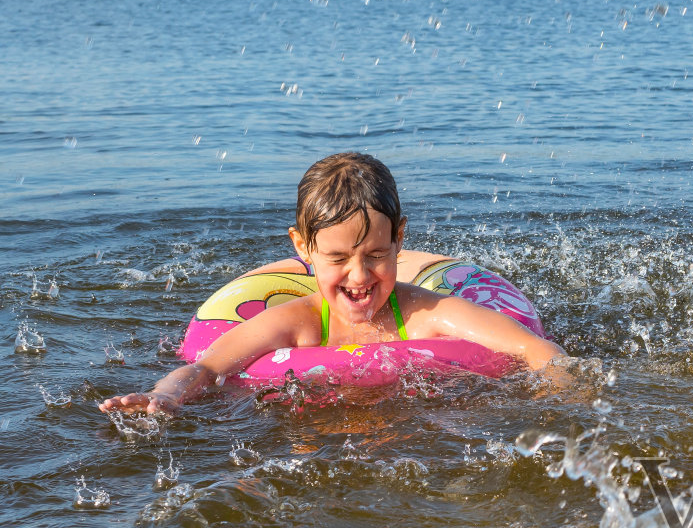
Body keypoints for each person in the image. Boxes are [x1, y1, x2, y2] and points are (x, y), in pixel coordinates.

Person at [100, 153, 565, 415]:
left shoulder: (429, 313)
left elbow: (532, 348)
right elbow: (207, 368)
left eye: (377, 255)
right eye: (338, 259)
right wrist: (163, 394)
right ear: (302, 247)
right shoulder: (298, 324)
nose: (360, 277)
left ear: (400, 238)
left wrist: (564, 390)